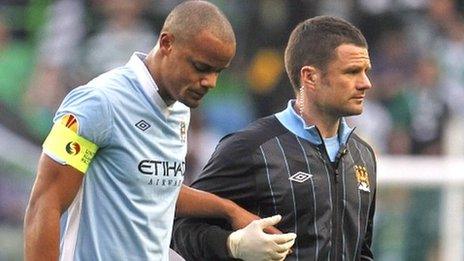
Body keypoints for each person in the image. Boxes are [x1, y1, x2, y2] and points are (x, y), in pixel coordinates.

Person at [24, 1, 296, 260]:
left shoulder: (179, 109)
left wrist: (231, 211)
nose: (210, 82)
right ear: (167, 43)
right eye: (201, 67)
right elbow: (44, 203)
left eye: (218, 72)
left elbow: (157, 187)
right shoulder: (98, 102)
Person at [172, 15, 377, 260]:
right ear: (310, 77)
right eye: (352, 71)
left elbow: (361, 250)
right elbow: (180, 229)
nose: (366, 83)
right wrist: (233, 245)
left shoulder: (362, 154)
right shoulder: (251, 147)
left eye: (366, 71)